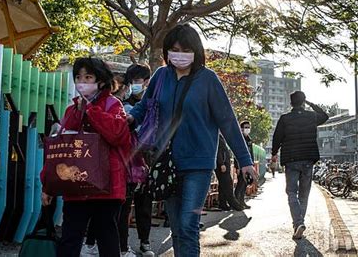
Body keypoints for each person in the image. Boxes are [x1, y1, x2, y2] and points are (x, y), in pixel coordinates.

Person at [128, 24, 257, 257]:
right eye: (174, 49)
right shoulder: (160, 76)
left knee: (188, 225)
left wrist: (244, 160)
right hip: (166, 163)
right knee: (176, 227)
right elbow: (144, 106)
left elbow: (227, 121)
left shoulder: (208, 79)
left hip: (198, 165)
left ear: (196, 51)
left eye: (185, 49)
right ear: (167, 51)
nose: (179, 54)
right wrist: (127, 118)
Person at [41, 57, 131, 257]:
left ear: (100, 81)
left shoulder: (112, 104)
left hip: (107, 186)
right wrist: (47, 184)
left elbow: (117, 135)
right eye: (78, 77)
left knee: (107, 237)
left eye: (88, 77)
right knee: (70, 238)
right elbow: (59, 149)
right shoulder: (72, 110)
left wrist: (91, 110)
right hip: (76, 184)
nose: (82, 82)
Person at [271, 91, 329, 240]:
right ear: (303, 102)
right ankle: (299, 223)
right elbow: (325, 116)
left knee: (291, 192)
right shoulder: (311, 116)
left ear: (291, 103)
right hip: (308, 159)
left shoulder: (285, 119)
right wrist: (310, 103)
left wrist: (274, 153)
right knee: (304, 194)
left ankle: (298, 223)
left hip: (291, 159)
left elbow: (277, 137)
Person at [120, 63, 154, 257]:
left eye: (138, 81)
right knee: (125, 204)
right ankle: (123, 246)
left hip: (148, 157)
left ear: (147, 82)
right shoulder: (124, 104)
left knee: (144, 203)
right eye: (131, 81)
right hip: (130, 159)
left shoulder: (152, 103)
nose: (134, 84)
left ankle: (145, 241)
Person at [215, 135, 244, 211]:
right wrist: (221, 163)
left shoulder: (221, 137)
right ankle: (234, 204)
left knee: (222, 185)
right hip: (222, 165)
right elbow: (218, 151)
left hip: (224, 164)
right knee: (228, 184)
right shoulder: (217, 136)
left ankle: (223, 204)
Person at [234, 121, 255, 209]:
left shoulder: (249, 139)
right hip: (241, 165)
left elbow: (251, 153)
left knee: (244, 184)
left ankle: (242, 202)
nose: (247, 129)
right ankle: (236, 203)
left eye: (248, 127)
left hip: (248, 165)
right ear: (241, 128)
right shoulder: (240, 139)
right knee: (240, 184)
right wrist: (237, 167)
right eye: (246, 127)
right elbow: (236, 153)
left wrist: (252, 164)